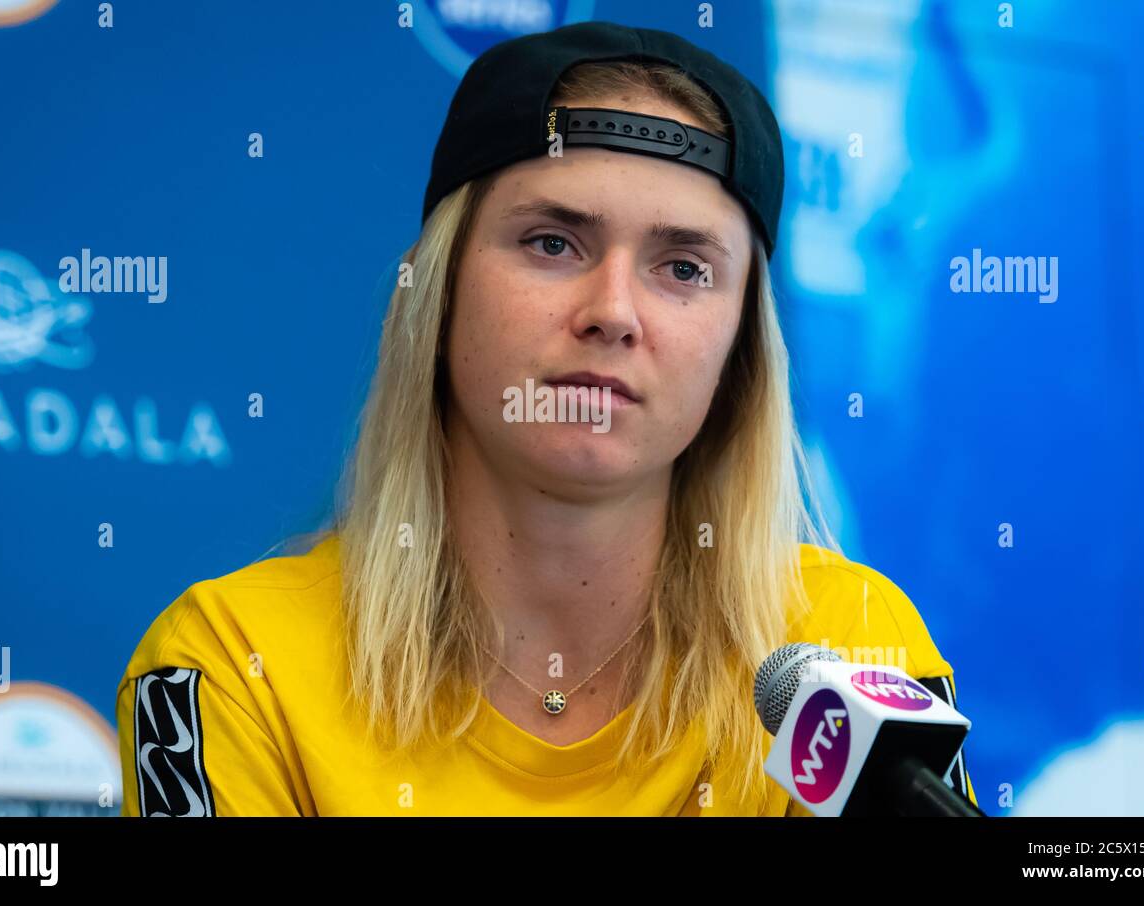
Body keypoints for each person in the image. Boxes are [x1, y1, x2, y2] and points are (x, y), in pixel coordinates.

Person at [115, 21, 977, 817]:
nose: (614, 311)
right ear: (437, 294)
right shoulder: (233, 667)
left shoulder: (848, 651)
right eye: (552, 244)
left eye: (682, 266)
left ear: (741, 349)